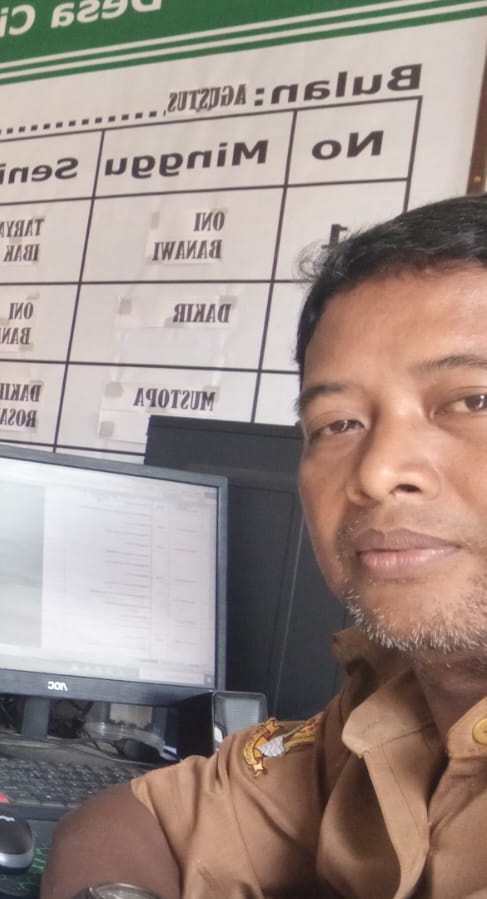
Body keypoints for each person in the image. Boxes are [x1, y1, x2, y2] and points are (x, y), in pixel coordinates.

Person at [41, 193, 487, 898]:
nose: (375, 472)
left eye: (472, 401)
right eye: (337, 423)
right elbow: (139, 818)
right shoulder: (386, 709)